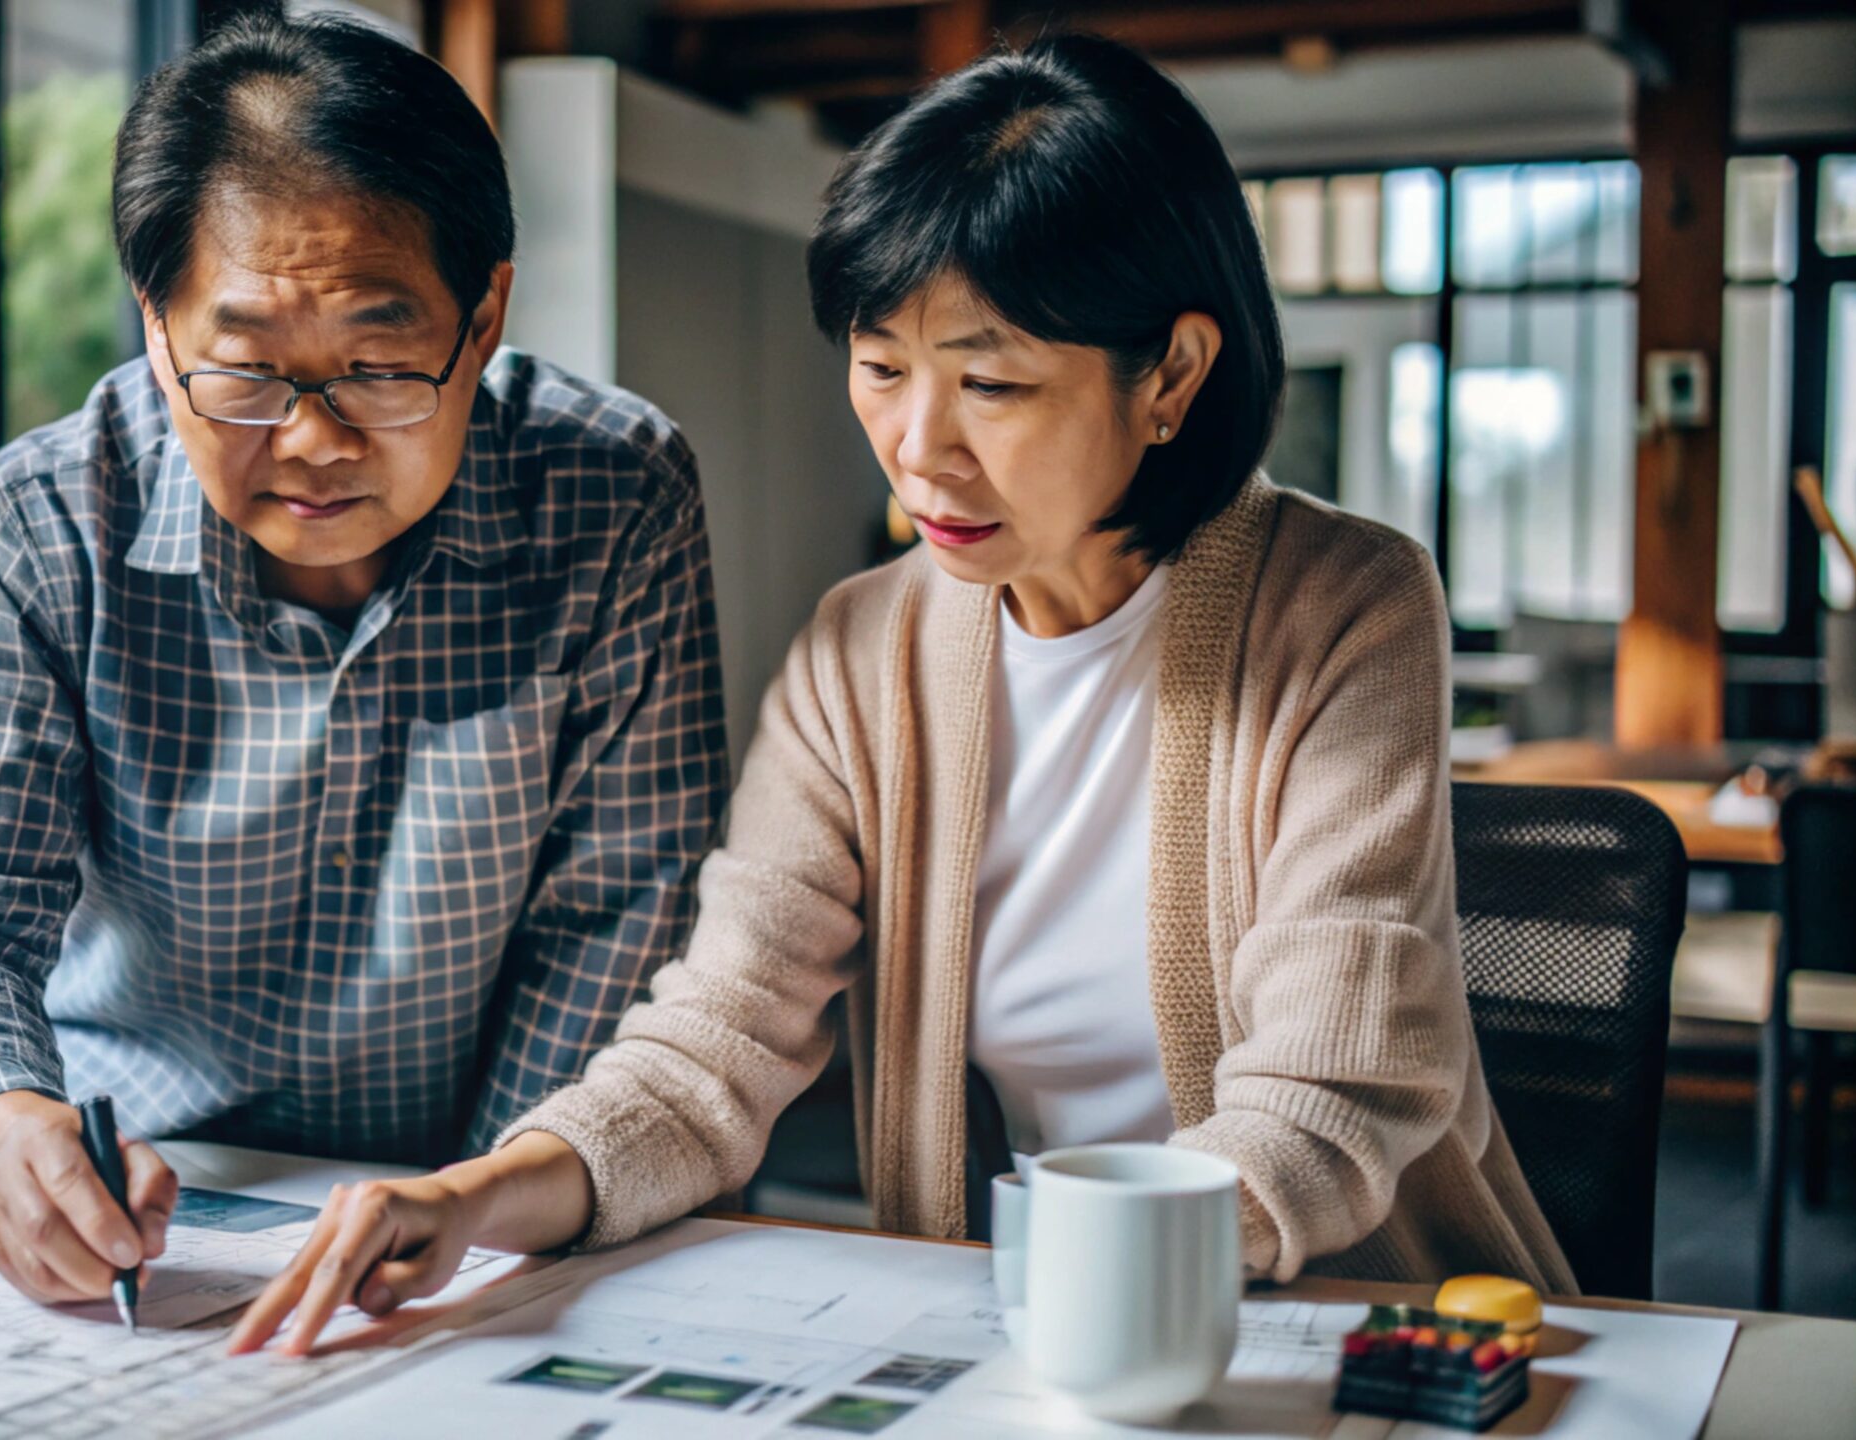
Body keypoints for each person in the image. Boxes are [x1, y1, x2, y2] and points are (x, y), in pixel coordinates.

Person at [231, 30, 1578, 1356]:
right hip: (1045, 1332)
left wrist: (1075, 1278)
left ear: (1171, 373)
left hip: (1356, 1333)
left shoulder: (1345, 605)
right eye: (883, 369)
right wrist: (474, 1200)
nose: (919, 450)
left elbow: (1333, 1090)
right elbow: (716, 1043)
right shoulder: (859, 652)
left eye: (991, 382)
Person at [0, 14, 729, 1309]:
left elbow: (613, 926)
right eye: (249, 373)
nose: (314, 441)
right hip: (145, 1198)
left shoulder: (611, 498)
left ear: (484, 316)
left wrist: (481, 1214)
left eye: (379, 367)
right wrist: (10, 1131)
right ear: (157, 328)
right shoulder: (31, 530)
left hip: (478, 1199)